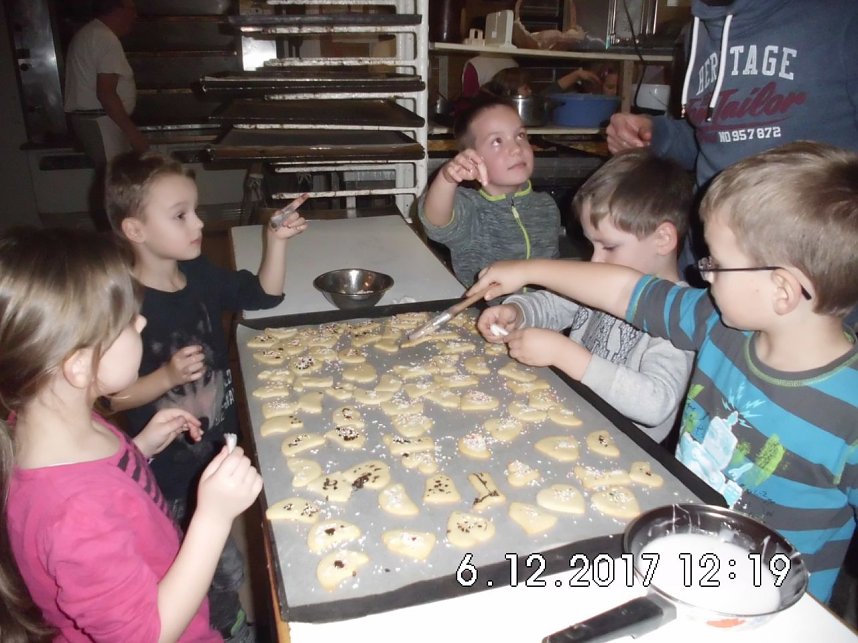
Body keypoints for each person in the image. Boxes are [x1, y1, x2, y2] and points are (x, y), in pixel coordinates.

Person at [469, 141, 858, 603]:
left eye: (716, 262)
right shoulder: (715, 323)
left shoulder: (847, 412)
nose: (703, 273)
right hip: (682, 552)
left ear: (782, 290)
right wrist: (527, 270)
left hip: (776, 605)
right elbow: (623, 289)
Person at [0, 227, 263, 641]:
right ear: (79, 366)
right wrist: (212, 517)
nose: (141, 321)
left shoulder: (55, 426)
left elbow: (106, 486)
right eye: (125, 321)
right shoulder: (75, 515)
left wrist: (139, 450)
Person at [105, 151, 307, 640]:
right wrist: (164, 378)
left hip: (219, 440)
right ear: (135, 230)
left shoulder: (198, 274)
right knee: (198, 566)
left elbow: (263, 295)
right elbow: (110, 399)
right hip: (169, 470)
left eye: (194, 209)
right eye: (180, 215)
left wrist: (275, 240)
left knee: (227, 561)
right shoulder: (124, 304)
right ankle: (224, 628)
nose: (199, 222)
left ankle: (226, 615)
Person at [476, 149, 694, 445]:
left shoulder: (678, 316)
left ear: (662, 239)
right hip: (568, 417)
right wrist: (518, 312)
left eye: (609, 247)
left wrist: (565, 354)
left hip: (622, 449)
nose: (595, 261)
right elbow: (553, 304)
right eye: (592, 246)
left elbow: (655, 404)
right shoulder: (599, 277)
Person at [606, 0, 858, 189]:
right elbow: (715, 138)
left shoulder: (843, 17)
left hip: (805, 252)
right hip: (711, 248)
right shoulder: (697, 31)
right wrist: (656, 135)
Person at [418, 97, 561, 286]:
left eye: (520, 135)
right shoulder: (470, 208)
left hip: (543, 311)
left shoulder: (546, 206)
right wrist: (446, 178)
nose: (516, 149)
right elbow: (435, 222)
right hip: (485, 311)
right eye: (497, 141)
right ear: (471, 157)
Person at [64, 0, 148, 165]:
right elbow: (106, 93)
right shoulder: (105, 38)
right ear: (117, 9)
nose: (135, 16)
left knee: (111, 180)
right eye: (132, 9)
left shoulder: (90, 33)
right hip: (101, 121)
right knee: (114, 181)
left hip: (94, 120)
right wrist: (134, 135)